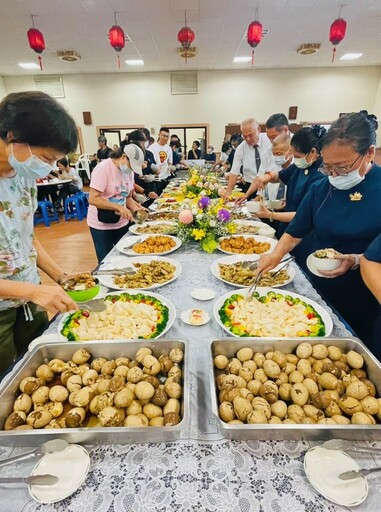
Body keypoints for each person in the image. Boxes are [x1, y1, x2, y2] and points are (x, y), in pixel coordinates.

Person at [256, 111, 381, 346]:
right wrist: (275, 255)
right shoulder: (321, 188)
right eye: (328, 167)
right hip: (318, 282)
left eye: (342, 168)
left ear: (370, 153)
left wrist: (355, 259)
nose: (334, 175)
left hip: (364, 295)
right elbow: (296, 231)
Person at [0, 91, 79, 375]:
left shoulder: (24, 178)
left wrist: (62, 277)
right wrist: (30, 290)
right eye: (46, 157)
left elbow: (27, 238)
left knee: (42, 371)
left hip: (30, 300)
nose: (50, 167)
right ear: (13, 135)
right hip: (5, 309)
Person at [237, 128, 327, 246]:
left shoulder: (319, 177)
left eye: (297, 155)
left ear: (313, 152)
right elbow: (279, 176)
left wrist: (270, 215)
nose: (294, 158)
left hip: (302, 236)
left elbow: (304, 215)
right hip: (286, 229)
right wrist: (268, 177)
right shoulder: (298, 168)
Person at [87, 143, 146, 263]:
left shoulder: (128, 172)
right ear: (124, 157)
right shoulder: (103, 168)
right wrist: (118, 207)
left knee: (125, 257)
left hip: (121, 223)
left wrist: (136, 209)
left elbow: (127, 197)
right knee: (106, 261)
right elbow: (93, 198)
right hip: (101, 225)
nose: (131, 170)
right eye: (131, 166)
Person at [223, 118, 272, 199]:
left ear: (258, 129)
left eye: (250, 135)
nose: (248, 139)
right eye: (245, 136)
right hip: (250, 187)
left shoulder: (269, 140)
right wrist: (228, 192)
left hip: (269, 185)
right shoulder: (241, 148)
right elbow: (234, 172)